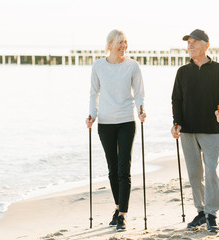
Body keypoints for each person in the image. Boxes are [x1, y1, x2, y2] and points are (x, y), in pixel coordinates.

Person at [171, 29, 219, 232]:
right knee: (195, 174)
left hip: (211, 129)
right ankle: (201, 211)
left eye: (194, 42)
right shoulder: (182, 72)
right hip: (187, 130)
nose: (190, 46)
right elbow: (176, 100)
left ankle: (212, 213)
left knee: (211, 171)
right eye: (188, 43)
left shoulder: (218, 70)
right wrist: (176, 123)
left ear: (206, 45)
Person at [86, 29, 146, 232]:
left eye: (125, 42)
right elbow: (94, 93)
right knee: (112, 169)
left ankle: (122, 215)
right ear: (109, 44)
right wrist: (92, 115)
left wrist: (141, 110)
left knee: (123, 169)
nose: (123, 46)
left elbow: (139, 93)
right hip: (105, 124)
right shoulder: (98, 66)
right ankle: (118, 207)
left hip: (126, 122)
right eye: (119, 42)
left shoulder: (132, 66)